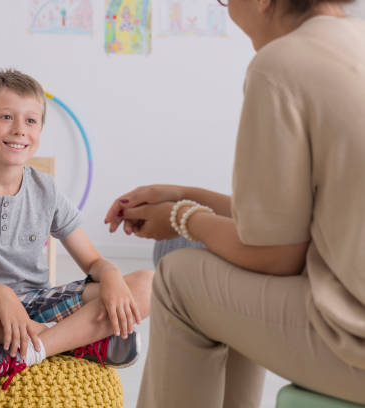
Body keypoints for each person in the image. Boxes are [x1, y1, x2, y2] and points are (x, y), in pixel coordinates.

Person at [104, 0, 365, 406]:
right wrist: (185, 195)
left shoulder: (281, 64)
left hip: (354, 344)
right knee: (219, 264)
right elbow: (301, 222)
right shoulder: (356, 40)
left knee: (178, 279)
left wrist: (182, 217)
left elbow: (276, 255)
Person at [0, 69, 153, 390]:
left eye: (31, 121)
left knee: (147, 284)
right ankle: (74, 342)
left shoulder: (46, 189)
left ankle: (23, 353)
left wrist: (110, 276)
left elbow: (94, 263)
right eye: (6, 117)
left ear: (40, 129)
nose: (19, 130)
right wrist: (0, 293)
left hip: (39, 305)